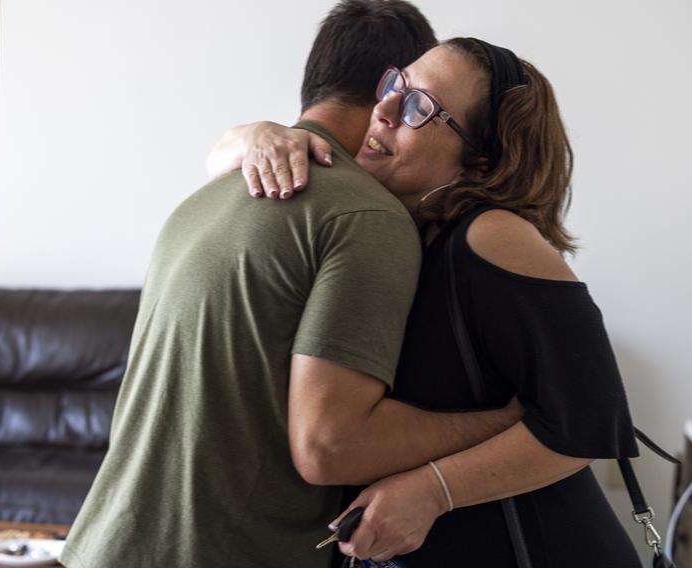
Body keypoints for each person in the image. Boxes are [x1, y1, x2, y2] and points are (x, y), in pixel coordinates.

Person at [59, 3, 527, 568]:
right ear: (391, 93)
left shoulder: (206, 198)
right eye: (410, 94)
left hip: (104, 544)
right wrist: (505, 423)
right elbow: (332, 446)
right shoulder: (366, 218)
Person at [208, 37, 641, 566]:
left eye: (420, 108)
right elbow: (220, 159)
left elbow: (590, 421)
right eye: (396, 84)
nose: (384, 109)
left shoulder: (493, 235)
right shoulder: (389, 232)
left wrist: (435, 490)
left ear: (480, 159)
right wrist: (256, 135)